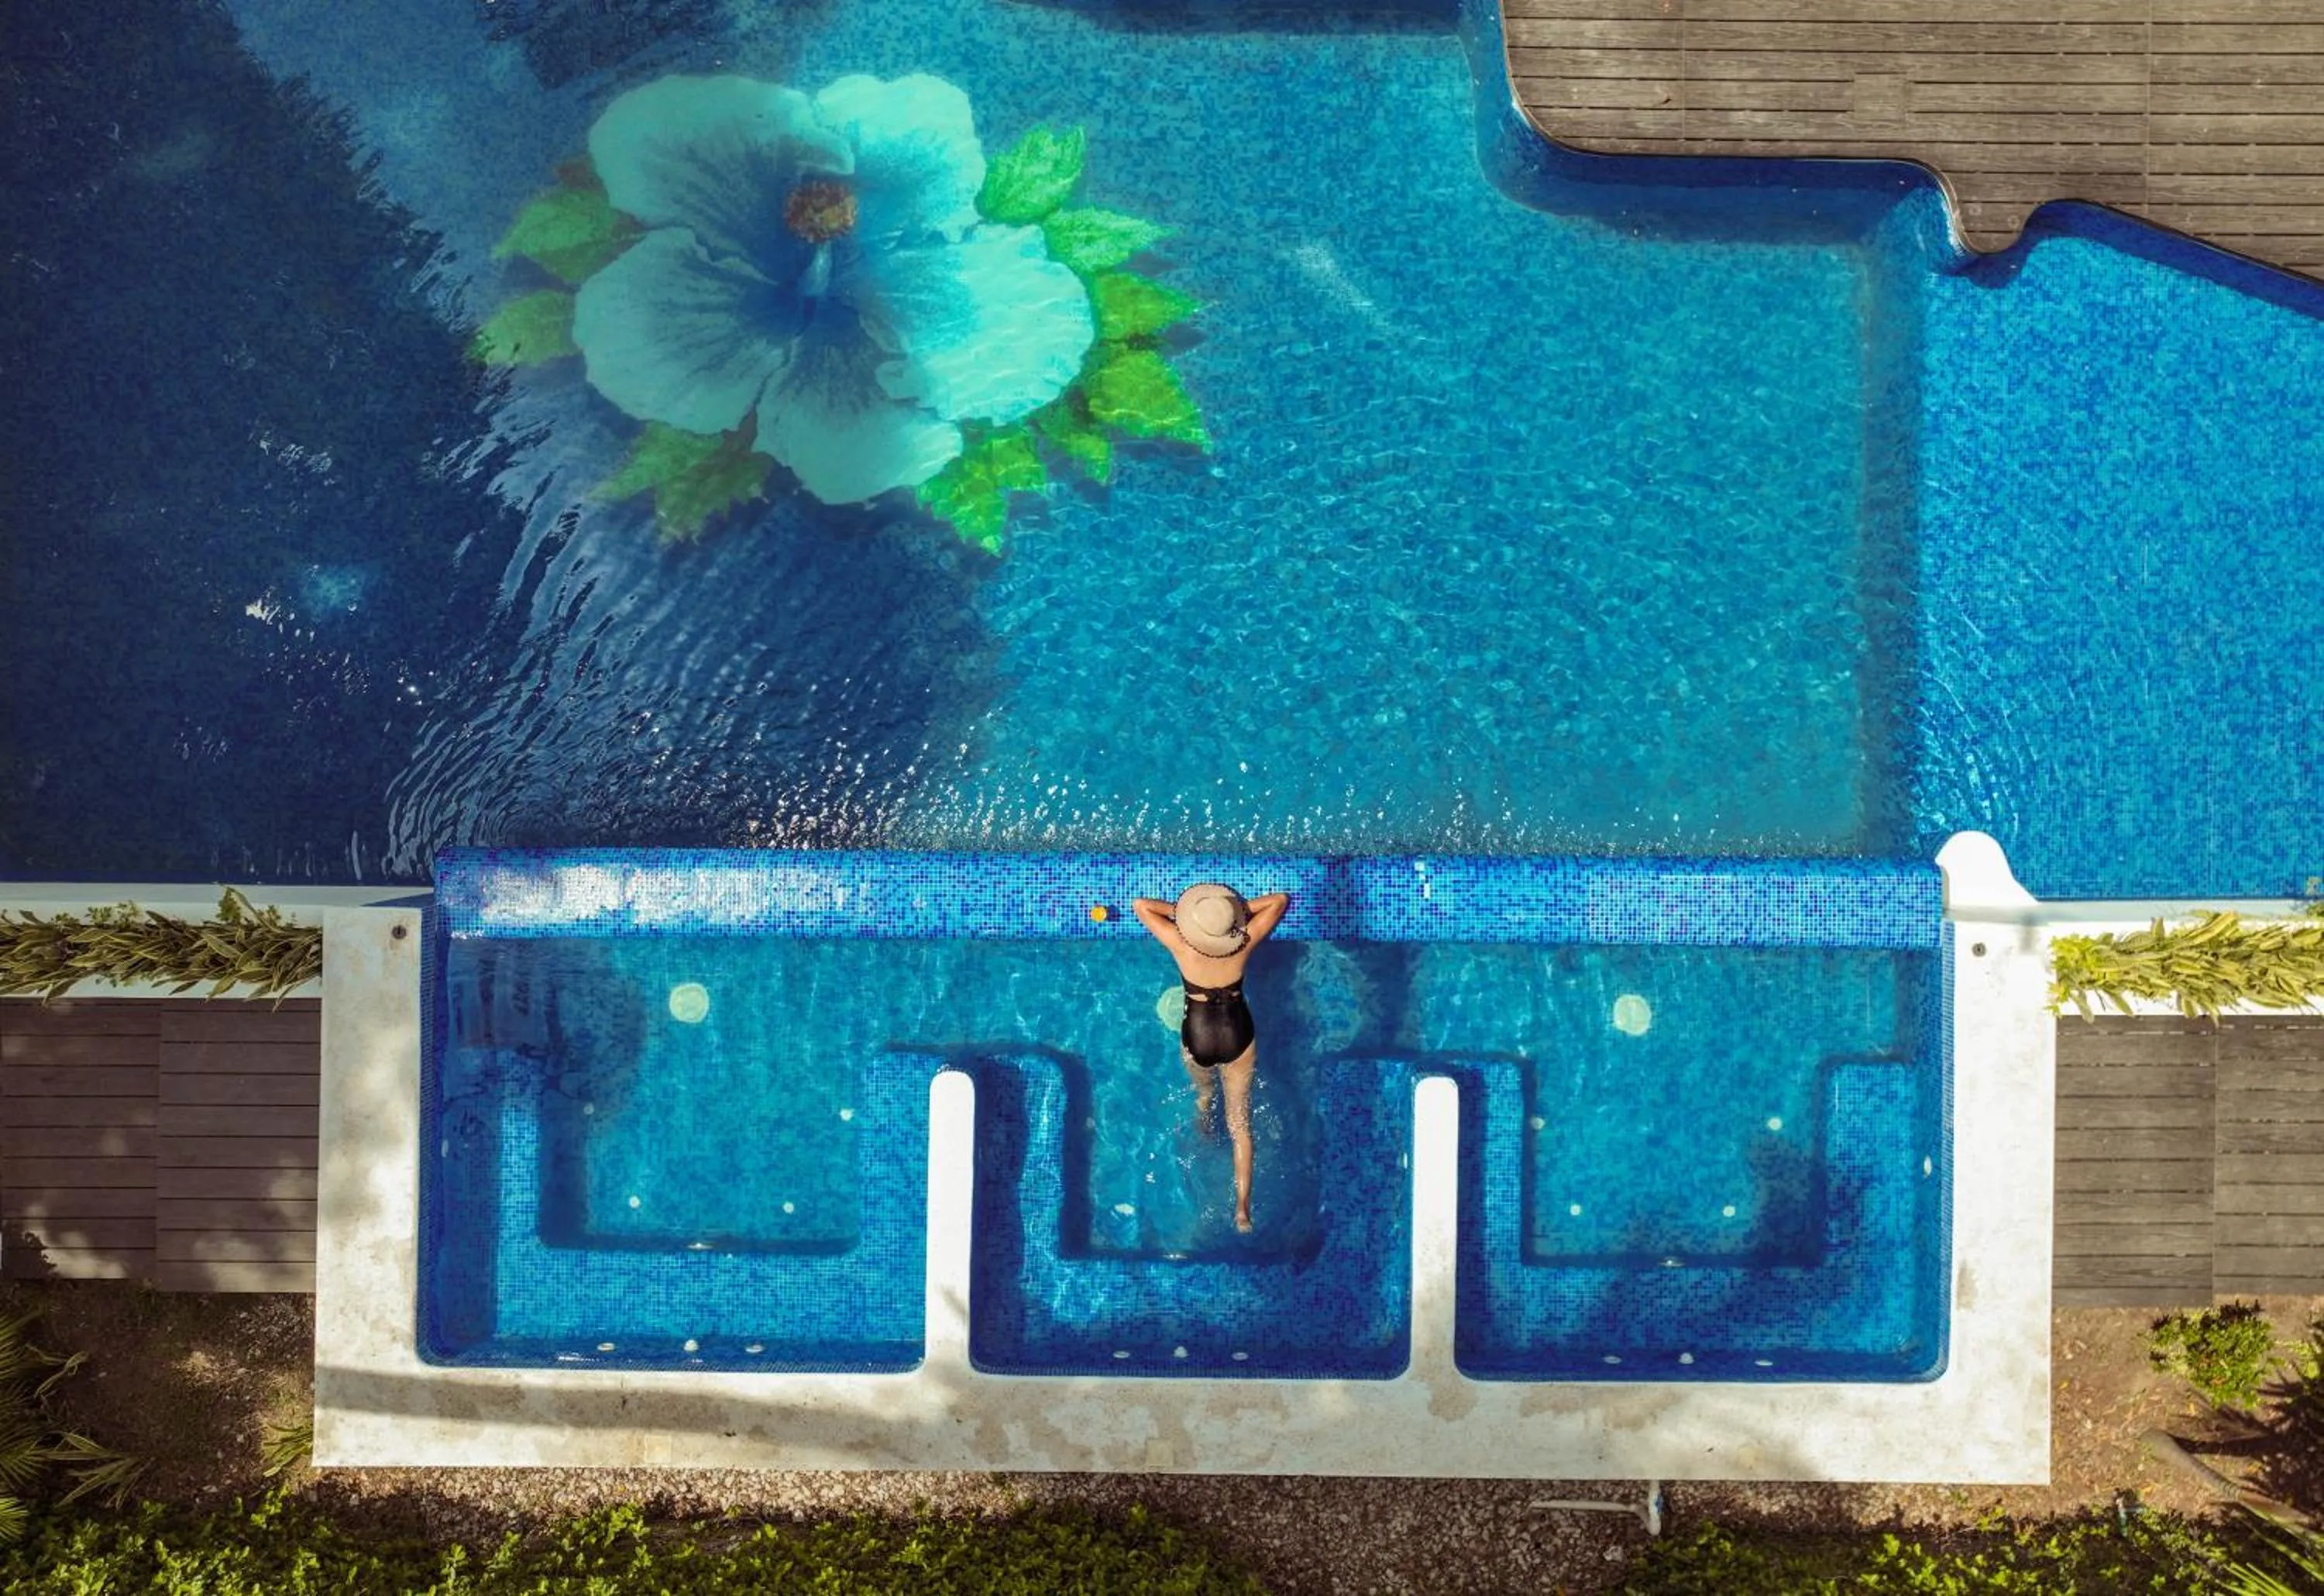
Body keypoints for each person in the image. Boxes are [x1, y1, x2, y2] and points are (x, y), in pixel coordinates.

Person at [1132, 882, 1290, 1233]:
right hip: (1237, 1033)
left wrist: (1188, 918)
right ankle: (1242, 1209)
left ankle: (1204, 1124)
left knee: (1204, 1094)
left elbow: (1141, 905)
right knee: (1240, 1124)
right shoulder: (1244, 941)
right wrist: (1232, 914)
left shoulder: (1181, 944)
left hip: (1199, 1035)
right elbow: (1279, 901)